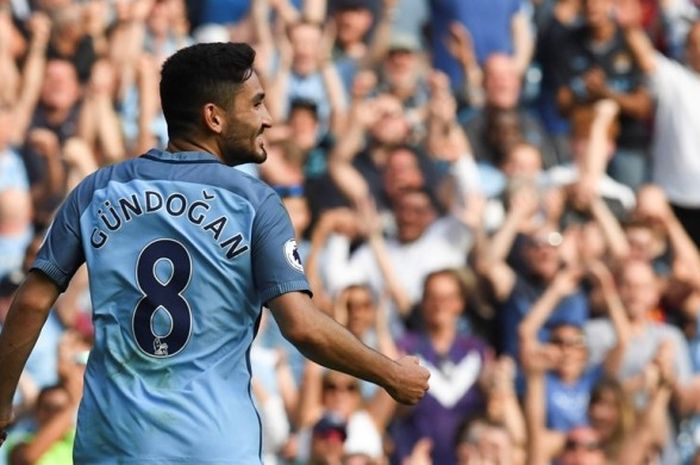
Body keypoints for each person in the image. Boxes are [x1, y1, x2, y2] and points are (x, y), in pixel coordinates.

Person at [0, 42, 430, 463]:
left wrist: (2, 403)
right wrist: (391, 374)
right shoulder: (254, 203)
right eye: (257, 104)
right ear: (215, 117)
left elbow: (33, 300)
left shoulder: (98, 190)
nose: (268, 119)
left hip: (112, 445)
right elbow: (301, 326)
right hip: (213, 446)